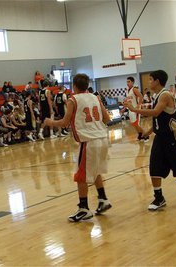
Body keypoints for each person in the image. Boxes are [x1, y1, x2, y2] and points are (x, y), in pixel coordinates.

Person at [124, 70, 176, 211]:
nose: (148, 82)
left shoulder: (165, 95)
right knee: (154, 167)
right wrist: (146, 133)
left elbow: (155, 113)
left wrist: (133, 109)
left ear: (157, 81)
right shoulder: (156, 96)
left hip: (172, 136)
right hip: (160, 137)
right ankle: (159, 197)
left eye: (150, 80)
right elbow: (157, 120)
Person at [45, 73, 112, 222]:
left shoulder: (73, 100)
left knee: (80, 176)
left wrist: (50, 122)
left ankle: (84, 209)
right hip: (102, 139)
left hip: (88, 142)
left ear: (74, 86)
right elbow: (107, 118)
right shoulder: (95, 97)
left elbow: (64, 123)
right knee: (96, 171)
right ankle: (103, 199)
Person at [122, 77, 146, 141]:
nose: (127, 83)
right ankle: (140, 134)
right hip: (130, 109)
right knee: (133, 124)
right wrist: (124, 108)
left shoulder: (134, 89)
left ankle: (145, 135)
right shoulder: (127, 90)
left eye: (129, 81)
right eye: (127, 82)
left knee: (136, 123)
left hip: (135, 109)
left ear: (132, 82)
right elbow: (127, 100)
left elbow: (141, 96)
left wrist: (138, 105)